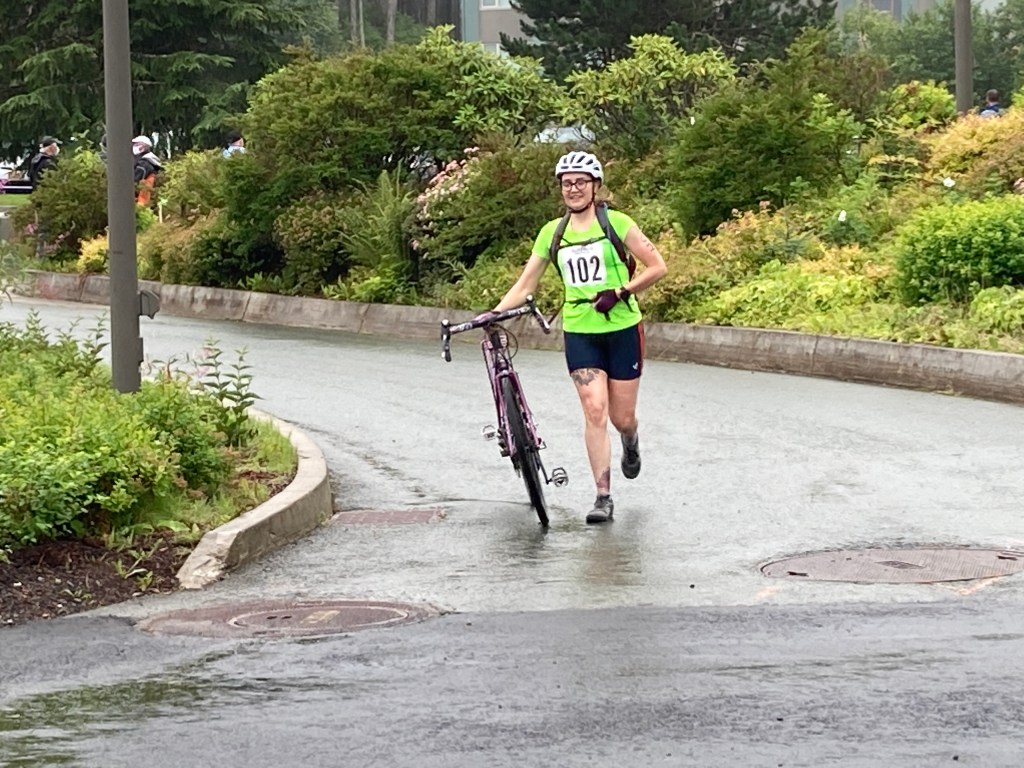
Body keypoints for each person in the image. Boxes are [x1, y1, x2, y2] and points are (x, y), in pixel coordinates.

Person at [476, 151, 668, 524]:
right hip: (580, 330)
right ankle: (603, 497)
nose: (574, 189)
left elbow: (657, 266)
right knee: (594, 410)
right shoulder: (553, 233)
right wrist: (494, 313)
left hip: (623, 329)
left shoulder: (618, 222)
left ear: (595, 186)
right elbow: (526, 284)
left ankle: (630, 440)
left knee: (622, 417)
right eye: (567, 183)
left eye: (581, 182)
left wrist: (621, 292)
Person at [132, 135, 163, 205]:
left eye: (136, 144)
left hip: (141, 201)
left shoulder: (144, 164)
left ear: (142, 147)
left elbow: (134, 181)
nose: (133, 146)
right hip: (148, 200)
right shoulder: (151, 162)